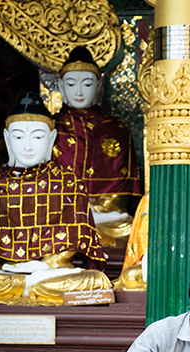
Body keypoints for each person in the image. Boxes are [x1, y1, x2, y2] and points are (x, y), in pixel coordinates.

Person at [0, 92, 110, 305]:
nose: (28, 146)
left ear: (52, 138)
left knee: (95, 282)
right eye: (18, 137)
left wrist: (45, 266)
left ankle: (27, 287)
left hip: (52, 272)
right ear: (7, 138)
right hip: (8, 272)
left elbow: (77, 236)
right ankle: (31, 288)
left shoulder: (68, 182)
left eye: (38, 137)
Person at [54, 46, 142, 245]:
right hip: (60, 214)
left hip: (107, 218)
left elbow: (122, 199)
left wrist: (101, 210)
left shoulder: (117, 129)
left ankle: (86, 220)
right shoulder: (50, 128)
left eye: (87, 84)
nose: (79, 91)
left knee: (132, 230)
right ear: (60, 86)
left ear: (99, 85)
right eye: (71, 84)